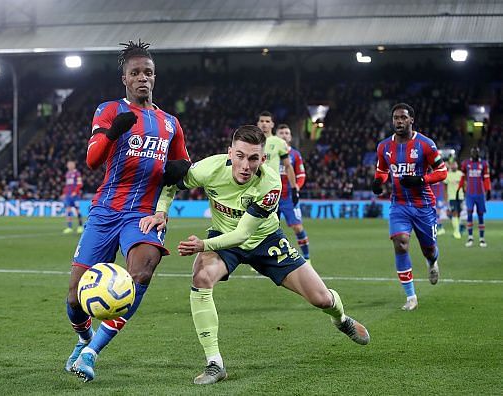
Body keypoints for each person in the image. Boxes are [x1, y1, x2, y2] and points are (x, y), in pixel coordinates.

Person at [141, 125, 369, 385]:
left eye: (253, 158)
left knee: (322, 299)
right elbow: (171, 183)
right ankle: (215, 363)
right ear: (230, 153)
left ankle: (341, 319)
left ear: (263, 159)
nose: (245, 165)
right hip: (223, 237)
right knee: (201, 277)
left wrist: (203, 245)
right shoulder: (209, 169)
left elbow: (243, 235)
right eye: (240, 156)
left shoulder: (270, 184)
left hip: (265, 240)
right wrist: (161, 211)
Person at [65, 40, 190, 382]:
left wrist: (177, 179)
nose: (142, 78)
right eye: (135, 73)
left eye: (147, 72)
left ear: (154, 77)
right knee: (75, 299)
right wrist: (111, 133)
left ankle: (92, 353)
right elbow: (92, 160)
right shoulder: (108, 110)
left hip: (144, 215)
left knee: (141, 273)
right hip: (106, 210)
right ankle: (83, 338)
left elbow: (182, 170)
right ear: (125, 79)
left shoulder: (169, 124)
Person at [372, 103, 448, 311]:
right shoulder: (384, 147)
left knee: (429, 249)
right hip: (399, 204)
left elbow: (442, 172)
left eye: (403, 118)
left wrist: (421, 180)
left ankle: (432, 262)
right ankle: (411, 296)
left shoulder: (425, 144)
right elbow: (382, 171)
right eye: (396, 118)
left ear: (411, 120)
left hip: (423, 205)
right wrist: (378, 182)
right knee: (401, 243)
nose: (399, 121)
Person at [275, 124, 310, 259]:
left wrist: (297, 188)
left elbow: (301, 175)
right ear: (276, 136)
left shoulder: (295, 154)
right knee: (268, 230)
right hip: (273, 197)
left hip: (289, 197)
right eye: (281, 133)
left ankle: (307, 258)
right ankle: (265, 260)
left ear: (290, 137)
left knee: (297, 227)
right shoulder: (270, 153)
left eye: (286, 133)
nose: (284, 135)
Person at [257, 111, 299, 206]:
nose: (264, 124)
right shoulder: (251, 141)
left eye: (267, 121)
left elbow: (288, 166)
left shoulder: (279, 142)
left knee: (272, 218)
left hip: (272, 186)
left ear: (272, 124)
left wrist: (293, 188)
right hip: (254, 186)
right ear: (258, 124)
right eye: (262, 121)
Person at [459, 147, 491, 248]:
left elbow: (486, 178)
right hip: (470, 193)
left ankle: (482, 239)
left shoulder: (484, 164)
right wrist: (459, 188)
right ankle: (470, 237)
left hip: (480, 193)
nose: (475, 154)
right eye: (473, 152)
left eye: (476, 152)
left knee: (480, 215)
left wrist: (488, 190)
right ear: (471, 153)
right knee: (469, 214)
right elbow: (463, 177)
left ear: (478, 153)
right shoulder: (466, 163)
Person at [62, 160, 84, 234]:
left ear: (74, 165)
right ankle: (69, 227)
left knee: (77, 210)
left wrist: (75, 192)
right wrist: (64, 193)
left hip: (75, 195)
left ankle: (80, 226)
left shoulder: (77, 174)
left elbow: (80, 184)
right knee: (68, 210)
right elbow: (67, 185)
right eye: (68, 165)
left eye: (71, 164)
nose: (69, 166)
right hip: (68, 195)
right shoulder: (67, 174)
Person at [443, 160, 464, 239]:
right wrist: (445, 198)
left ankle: (458, 230)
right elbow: (445, 187)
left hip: (460, 197)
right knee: (454, 213)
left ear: (457, 165)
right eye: (453, 164)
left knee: (458, 214)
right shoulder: (447, 175)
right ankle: (456, 232)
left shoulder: (461, 174)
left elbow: (464, 185)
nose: (454, 166)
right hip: (452, 197)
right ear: (451, 166)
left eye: (455, 164)